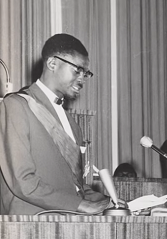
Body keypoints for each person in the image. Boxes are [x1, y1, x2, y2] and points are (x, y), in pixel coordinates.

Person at [0, 33, 111, 215]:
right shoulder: (16, 106)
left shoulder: (73, 125)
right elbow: (22, 181)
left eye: (86, 73)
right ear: (52, 63)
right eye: (77, 70)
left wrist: (108, 202)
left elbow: (76, 188)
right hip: (30, 225)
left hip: (68, 222)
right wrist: (80, 205)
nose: (82, 79)